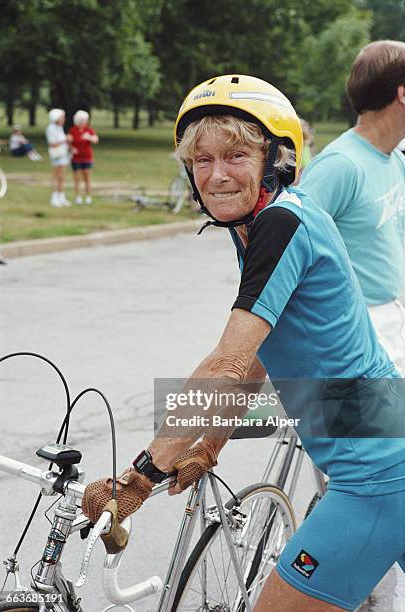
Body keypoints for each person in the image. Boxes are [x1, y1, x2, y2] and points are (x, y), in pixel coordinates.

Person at [82, 75, 405, 611]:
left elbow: (227, 361)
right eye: (201, 160)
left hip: (375, 475)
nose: (216, 174)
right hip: (387, 433)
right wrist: (209, 444)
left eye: (235, 154)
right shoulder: (264, 221)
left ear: (274, 158)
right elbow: (257, 353)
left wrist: (139, 475)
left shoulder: (279, 224)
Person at [299, 41, 405, 610]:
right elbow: (284, 251)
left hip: (392, 330)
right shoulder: (338, 167)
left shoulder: (395, 160)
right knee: (370, 494)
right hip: (345, 344)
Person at [68, 110, 99, 205]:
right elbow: (69, 141)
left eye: (85, 120)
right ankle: (78, 197)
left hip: (87, 157)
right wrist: (71, 148)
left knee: (87, 177)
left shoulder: (89, 130)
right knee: (77, 178)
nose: (83, 122)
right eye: (81, 120)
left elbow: (96, 140)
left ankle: (88, 196)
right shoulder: (73, 130)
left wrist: (89, 137)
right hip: (76, 157)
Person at [45, 108, 70, 208]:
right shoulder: (51, 128)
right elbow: (52, 143)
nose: (63, 119)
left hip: (62, 154)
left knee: (62, 176)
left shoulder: (59, 127)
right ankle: (55, 197)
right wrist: (66, 139)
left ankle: (61, 196)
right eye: (62, 117)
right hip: (57, 154)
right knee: (57, 176)